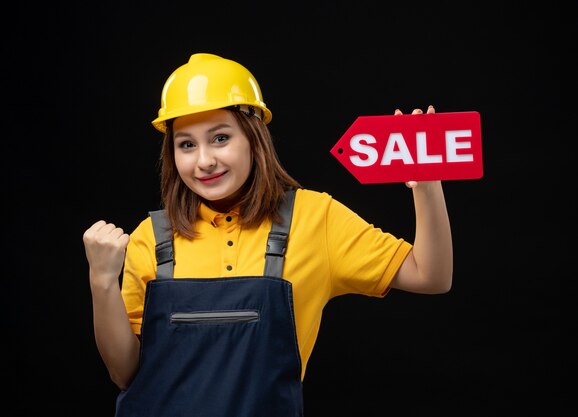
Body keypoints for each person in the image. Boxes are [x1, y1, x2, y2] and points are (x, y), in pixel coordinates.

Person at [82, 52, 452, 417]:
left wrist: (427, 184)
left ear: (253, 138)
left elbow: (430, 276)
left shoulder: (313, 218)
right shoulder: (153, 237)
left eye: (221, 138)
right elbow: (124, 373)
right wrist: (101, 281)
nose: (204, 160)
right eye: (187, 145)